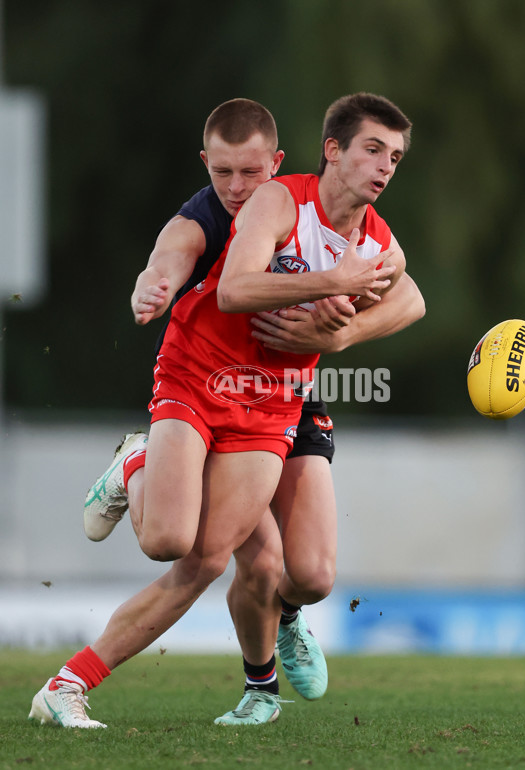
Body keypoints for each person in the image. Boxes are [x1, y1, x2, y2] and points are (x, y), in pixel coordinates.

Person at [28, 93, 424, 728]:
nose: (384, 167)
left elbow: (408, 294)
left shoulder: (378, 242)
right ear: (332, 151)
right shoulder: (273, 200)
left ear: (272, 159)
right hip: (200, 372)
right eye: (373, 150)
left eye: (394, 157)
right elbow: (225, 282)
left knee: (238, 563)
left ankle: (68, 686)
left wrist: (339, 334)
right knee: (169, 540)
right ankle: (138, 466)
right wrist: (334, 286)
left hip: (274, 402)